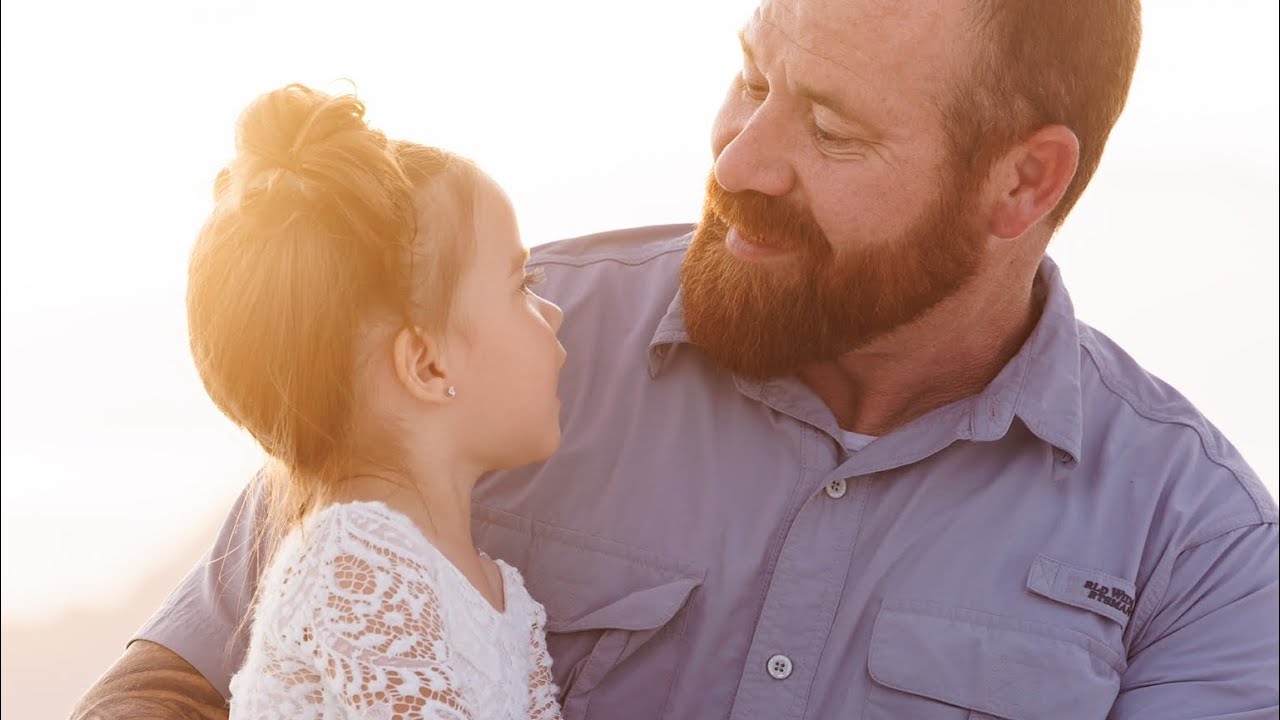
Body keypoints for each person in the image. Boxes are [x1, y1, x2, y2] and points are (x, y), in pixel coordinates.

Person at [72, 1, 1278, 718]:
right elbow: (177, 681)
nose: (740, 160)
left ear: (1022, 183)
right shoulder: (485, 342)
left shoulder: (1196, 553)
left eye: (828, 127)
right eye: (752, 76)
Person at [157, 83, 565, 719]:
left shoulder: (499, 594)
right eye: (523, 286)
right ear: (426, 364)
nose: (557, 315)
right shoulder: (356, 560)